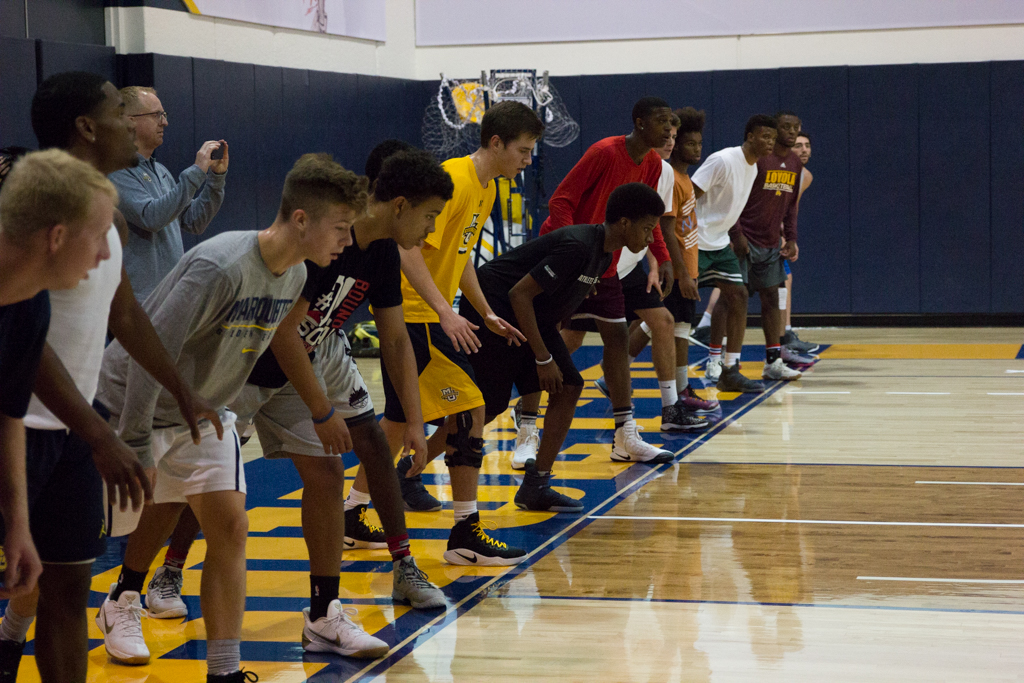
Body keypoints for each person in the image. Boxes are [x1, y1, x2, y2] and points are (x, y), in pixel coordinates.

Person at [93, 153, 356, 682]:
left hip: (204, 413)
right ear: (301, 219)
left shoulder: (296, 272)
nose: (347, 242)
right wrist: (139, 445)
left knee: (231, 528)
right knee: (78, 549)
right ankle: (94, 608)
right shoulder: (221, 264)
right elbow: (150, 353)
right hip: (130, 402)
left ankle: (225, 670)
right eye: (341, 228)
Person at [2, 72, 220, 683]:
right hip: (30, 424)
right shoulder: (28, 207)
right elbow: (20, 343)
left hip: (69, 430)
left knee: (68, 588)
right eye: (121, 113)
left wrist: (179, 387)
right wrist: (101, 434)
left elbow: (124, 313)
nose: (135, 125)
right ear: (87, 127)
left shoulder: (109, 217)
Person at [230, 148, 451, 656]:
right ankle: (152, 579)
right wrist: (324, 412)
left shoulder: (382, 251)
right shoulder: (328, 244)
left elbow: (394, 340)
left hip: (314, 351)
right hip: (249, 360)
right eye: (430, 216)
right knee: (206, 485)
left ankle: (383, 577)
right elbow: (283, 335)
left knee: (359, 450)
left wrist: (415, 422)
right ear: (400, 205)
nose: (432, 229)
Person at [378, 102, 544, 565]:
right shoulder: (452, 179)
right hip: (416, 317)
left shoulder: (486, 188)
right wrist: (444, 313)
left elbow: (459, 254)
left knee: (394, 424)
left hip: (430, 314)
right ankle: (465, 533)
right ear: (496, 144)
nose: (528, 161)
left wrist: (485, 312)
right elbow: (407, 250)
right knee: (472, 408)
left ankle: (353, 511)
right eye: (524, 151)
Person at [0, 149, 128, 680]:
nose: (105, 256)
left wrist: (19, 525)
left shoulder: (31, 304)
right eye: (98, 236)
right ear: (55, 237)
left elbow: (7, 411)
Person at [464, 182, 667, 512]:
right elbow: (519, 294)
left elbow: (554, 302)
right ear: (625, 223)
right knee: (488, 406)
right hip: (495, 310)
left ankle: (536, 486)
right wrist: (543, 358)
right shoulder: (577, 245)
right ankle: (410, 472)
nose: (649, 239)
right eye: (647, 229)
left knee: (570, 385)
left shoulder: (604, 254)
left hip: (528, 316)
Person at [514, 97, 685, 467]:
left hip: (604, 259)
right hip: (565, 256)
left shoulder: (654, 163)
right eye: (661, 122)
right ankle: (526, 429)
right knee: (545, 340)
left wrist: (665, 258)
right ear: (639, 123)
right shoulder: (604, 152)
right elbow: (561, 201)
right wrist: (572, 255)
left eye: (671, 123)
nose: (669, 129)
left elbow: (649, 217)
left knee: (618, 337)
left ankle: (625, 435)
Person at [589, 113, 709, 432]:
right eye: (666, 135)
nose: (670, 141)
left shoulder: (664, 171)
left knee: (663, 320)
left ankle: (670, 408)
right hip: (599, 262)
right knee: (569, 338)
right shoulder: (610, 154)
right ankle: (530, 403)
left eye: (673, 136)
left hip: (629, 265)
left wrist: (659, 261)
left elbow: (655, 223)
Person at [627, 107, 719, 415]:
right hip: (674, 266)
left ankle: (674, 389)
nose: (693, 148)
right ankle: (678, 392)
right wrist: (679, 271)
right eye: (683, 141)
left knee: (668, 324)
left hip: (685, 263)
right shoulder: (668, 177)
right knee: (671, 325)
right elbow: (664, 228)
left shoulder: (684, 179)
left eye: (693, 142)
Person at [110, 86, 228, 301]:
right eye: (156, 115)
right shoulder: (116, 170)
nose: (164, 122)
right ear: (130, 120)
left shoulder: (160, 171)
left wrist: (215, 179)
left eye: (163, 115)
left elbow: (194, 222)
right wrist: (196, 172)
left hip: (169, 296)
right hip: (140, 302)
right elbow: (152, 217)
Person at [692, 114, 778, 393]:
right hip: (696, 242)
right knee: (663, 313)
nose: (770, 142)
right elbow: (687, 195)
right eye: (765, 136)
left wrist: (732, 235)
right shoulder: (723, 160)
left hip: (718, 244)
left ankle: (731, 369)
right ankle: (615, 371)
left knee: (738, 295)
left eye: (773, 139)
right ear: (750, 136)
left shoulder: (752, 169)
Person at [731, 110, 808, 381]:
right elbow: (736, 198)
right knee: (733, 300)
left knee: (772, 300)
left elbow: (791, 207)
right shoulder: (760, 159)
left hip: (771, 243)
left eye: (796, 127)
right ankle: (724, 362)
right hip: (743, 241)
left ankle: (773, 362)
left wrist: (793, 238)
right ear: (775, 129)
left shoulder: (796, 164)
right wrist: (736, 233)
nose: (791, 131)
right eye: (786, 126)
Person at [781, 131, 819, 355]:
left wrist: (788, 237)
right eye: (798, 145)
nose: (804, 149)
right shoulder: (779, 170)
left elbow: (789, 210)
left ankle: (785, 335)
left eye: (807, 145)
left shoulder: (805, 175)